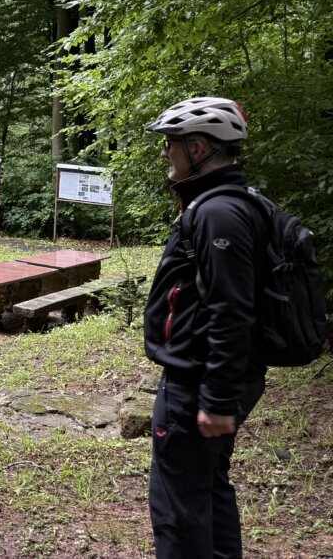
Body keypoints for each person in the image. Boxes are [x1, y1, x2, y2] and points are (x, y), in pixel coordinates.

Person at [142, 96, 268, 559]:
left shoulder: (218, 214)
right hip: (214, 378)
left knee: (178, 509)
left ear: (197, 148)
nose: (164, 153)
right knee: (209, 488)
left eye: (170, 144)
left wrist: (215, 399)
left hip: (196, 384)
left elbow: (230, 311)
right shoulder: (238, 204)